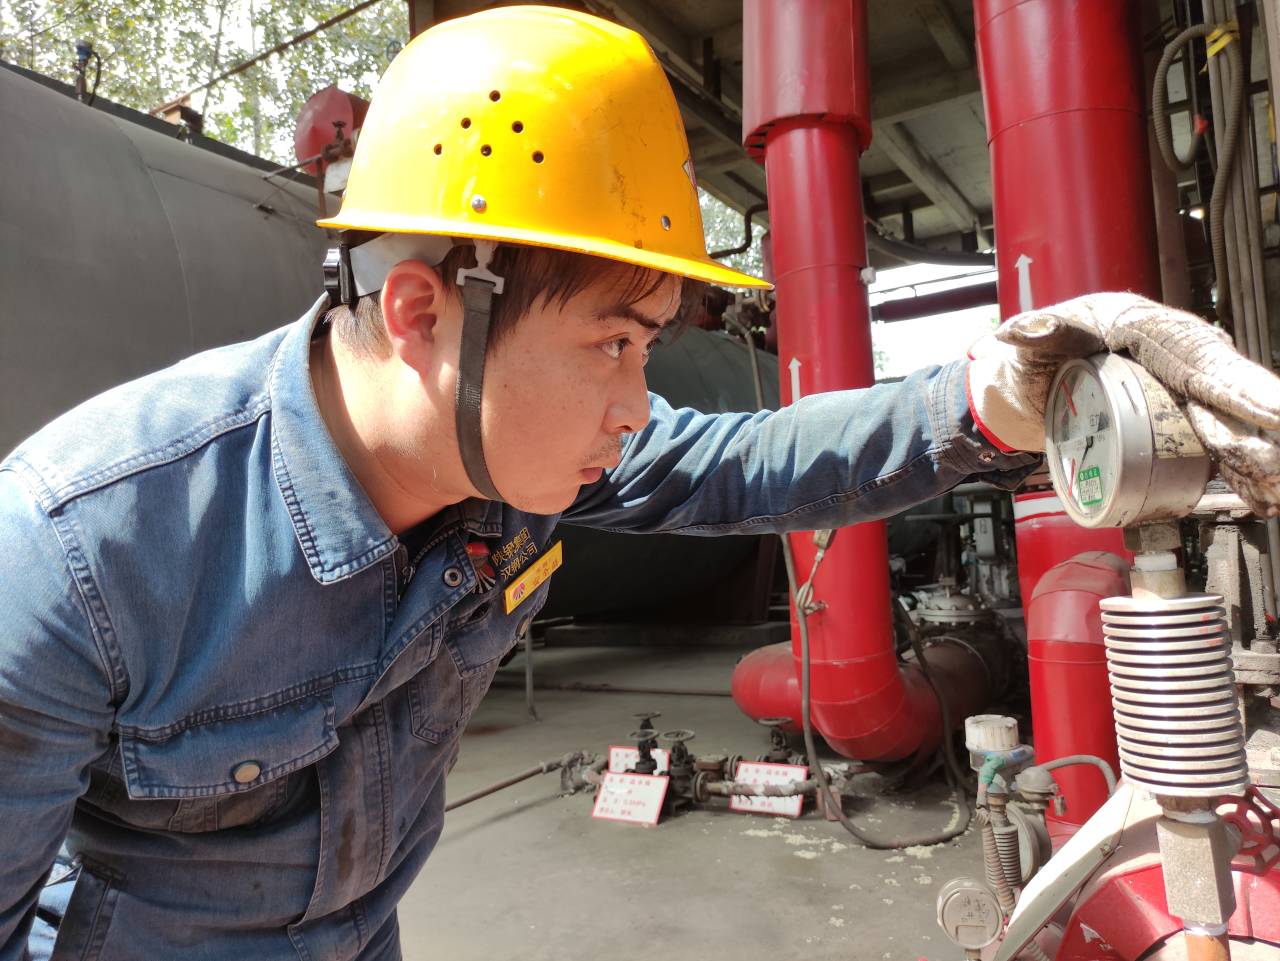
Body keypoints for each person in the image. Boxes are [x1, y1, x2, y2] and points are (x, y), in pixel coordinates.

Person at [2, 6, 1277, 961]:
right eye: (613, 343)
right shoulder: (77, 557)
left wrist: (987, 397)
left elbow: (740, 460)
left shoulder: (503, 462)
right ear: (418, 310)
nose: (634, 403)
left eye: (650, 348)